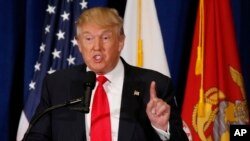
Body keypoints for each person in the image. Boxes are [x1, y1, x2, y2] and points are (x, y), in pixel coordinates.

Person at [25, 7, 188, 141]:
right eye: (88, 38)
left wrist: (161, 128)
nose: (96, 47)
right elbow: (36, 137)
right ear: (79, 44)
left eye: (105, 37)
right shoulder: (57, 84)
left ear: (120, 42)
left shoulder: (154, 85)